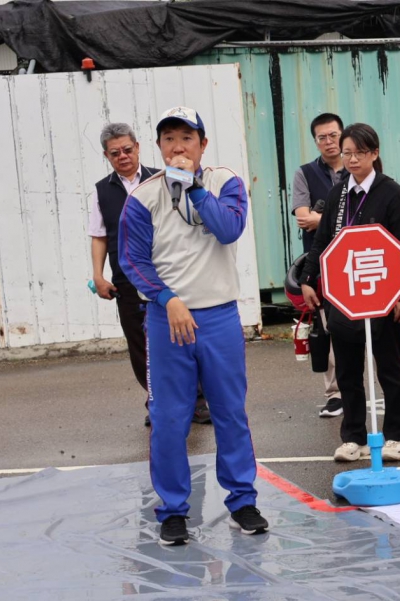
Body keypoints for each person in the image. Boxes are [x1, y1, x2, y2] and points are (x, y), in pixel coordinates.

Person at [119, 106, 268, 546]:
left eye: (187, 138)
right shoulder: (142, 197)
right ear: (158, 146)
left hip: (219, 316)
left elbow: (228, 229)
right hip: (167, 319)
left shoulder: (224, 182)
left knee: (230, 412)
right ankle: (172, 511)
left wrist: (195, 187)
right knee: (169, 418)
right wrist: (167, 299)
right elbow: (133, 261)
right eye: (169, 139)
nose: (177, 147)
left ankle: (242, 502)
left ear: (203, 144)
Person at [298, 123, 400, 464]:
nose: (351, 159)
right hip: (343, 294)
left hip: (383, 294)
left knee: (389, 369)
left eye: (359, 153)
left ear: (374, 154)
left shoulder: (391, 192)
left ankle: (398, 437)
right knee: (348, 371)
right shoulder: (338, 194)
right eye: (346, 153)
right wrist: (309, 278)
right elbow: (322, 242)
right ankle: (353, 437)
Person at [88, 123, 209, 427]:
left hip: (167, 276)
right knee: (140, 346)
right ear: (106, 156)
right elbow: (99, 236)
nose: (123, 156)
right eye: (115, 153)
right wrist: (98, 275)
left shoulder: (163, 178)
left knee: (181, 339)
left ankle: (196, 403)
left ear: (138, 147)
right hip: (127, 280)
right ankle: (157, 403)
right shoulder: (102, 191)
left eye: (127, 149)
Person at [291, 112, 349, 419]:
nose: (329, 142)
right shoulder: (304, 173)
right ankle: (335, 394)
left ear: (343, 134)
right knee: (327, 327)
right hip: (321, 262)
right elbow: (303, 218)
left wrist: (322, 219)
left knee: (367, 327)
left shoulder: (359, 166)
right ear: (315, 141)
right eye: (322, 137)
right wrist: (340, 220)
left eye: (333, 135)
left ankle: (371, 389)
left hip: (356, 260)